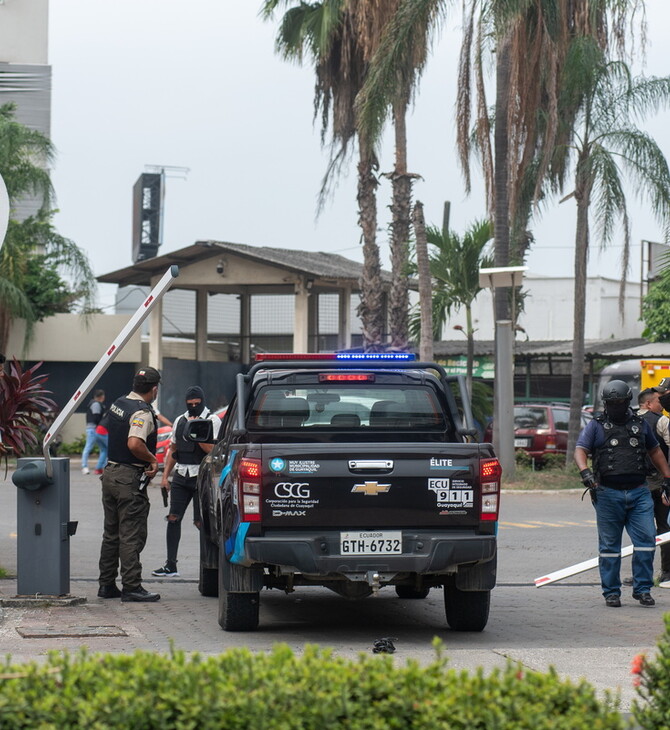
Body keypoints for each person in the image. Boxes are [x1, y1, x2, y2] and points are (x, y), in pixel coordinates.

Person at [575, 379, 670, 608]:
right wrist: (585, 472)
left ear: (627, 401)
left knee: (646, 542)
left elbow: (655, 450)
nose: (615, 406)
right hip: (607, 493)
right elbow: (581, 449)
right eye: (611, 402)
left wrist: (667, 477)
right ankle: (611, 593)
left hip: (639, 492)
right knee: (609, 547)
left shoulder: (640, 424)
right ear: (605, 403)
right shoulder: (596, 426)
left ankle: (643, 590)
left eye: (619, 402)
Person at [97, 367, 162, 602]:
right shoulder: (142, 413)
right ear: (154, 389)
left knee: (111, 534)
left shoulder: (120, 402)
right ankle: (132, 587)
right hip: (128, 478)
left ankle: (106, 585)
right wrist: (152, 459)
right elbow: (135, 443)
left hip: (110, 473)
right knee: (130, 535)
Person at [153, 386, 221, 577]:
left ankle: (208, 568)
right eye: (190, 404)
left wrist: (197, 431)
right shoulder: (179, 420)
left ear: (202, 402)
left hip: (202, 477)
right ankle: (170, 565)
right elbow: (173, 450)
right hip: (181, 476)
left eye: (196, 404)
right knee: (173, 518)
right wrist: (165, 477)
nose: (193, 407)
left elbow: (213, 450)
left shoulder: (212, 420)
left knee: (202, 522)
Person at [636, 387, 670, 582]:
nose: (663, 405)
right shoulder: (662, 421)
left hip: (639, 484)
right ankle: (666, 572)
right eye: (659, 401)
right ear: (648, 404)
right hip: (659, 483)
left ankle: (643, 574)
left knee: (641, 530)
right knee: (663, 528)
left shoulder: (630, 421)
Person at [82, 389, 107, 475]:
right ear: (101, 397)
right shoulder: (96, 404)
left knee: (104, 448)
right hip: (94, 429)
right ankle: (85, 466)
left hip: (92, 429)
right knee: (90, 447)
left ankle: (99, 467)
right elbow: (96, 417)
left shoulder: (91, 403)